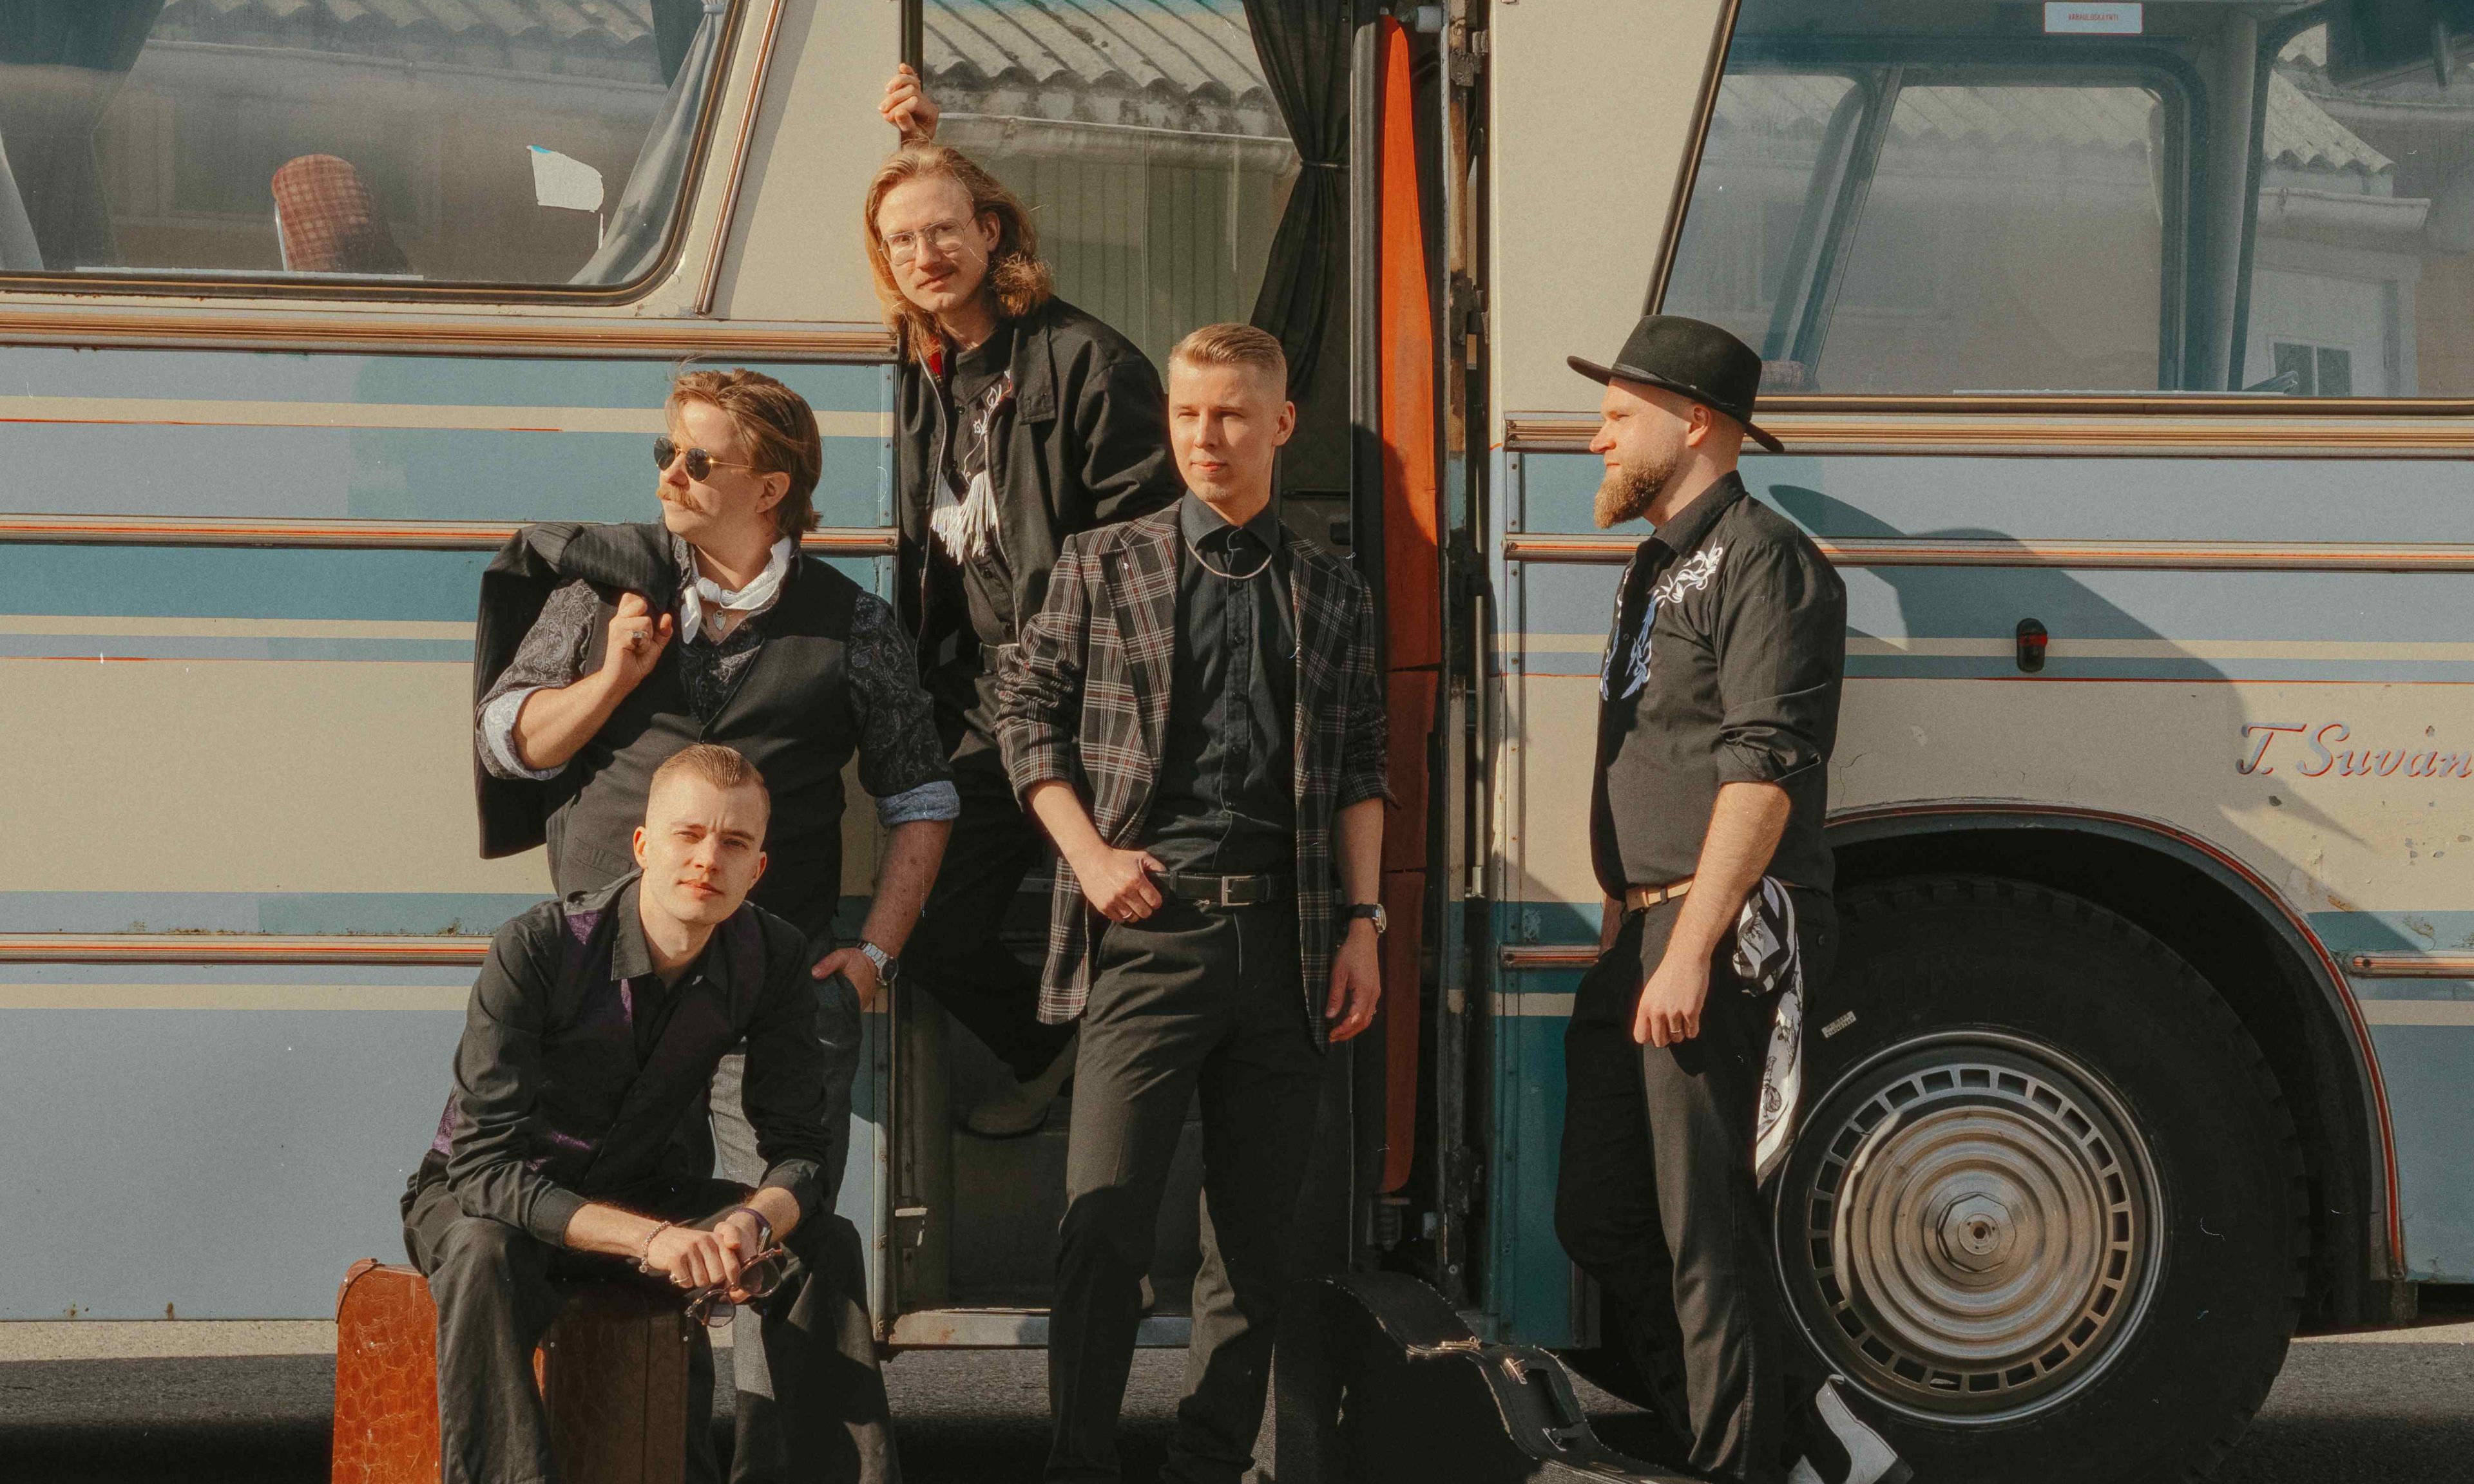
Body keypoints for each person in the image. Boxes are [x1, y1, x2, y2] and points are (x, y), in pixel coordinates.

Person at [470, 366, 955, 1481]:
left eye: (699, 460)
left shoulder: (854, 621)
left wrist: (875, 954)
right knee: (627, 1239)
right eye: (666, 454)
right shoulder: (603, 593)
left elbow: (922, 796)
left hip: (771, 990)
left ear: (771, 487)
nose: (669, 478)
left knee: (776, 1242)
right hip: (603, 998)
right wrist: (612, 676)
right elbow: (510, 743)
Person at [999, 323, 1389, 1484]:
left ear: (1281, 424)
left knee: (1252, 1249)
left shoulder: (1330, 587)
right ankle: (1078, 1466)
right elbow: (1025, 713)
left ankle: (1207, 1465)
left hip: (1288, 942)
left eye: (1229, 414)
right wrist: (1088, 857)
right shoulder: (1102, 561)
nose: (1204, 436)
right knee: (1103, 1221)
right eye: (1185, 414)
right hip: (1147, 934)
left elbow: (1363, 765)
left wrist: (1365, 923)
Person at [1549, 315, 1903, 1484]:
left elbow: (1765, 766)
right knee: (1603, 1213)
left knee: (1708, 1230)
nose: (1597, 436)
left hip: (1724, 928)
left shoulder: (1769, 561)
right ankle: (1806, 1435)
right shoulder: (1656, 564)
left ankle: (1739, 1461)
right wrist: (1628, 924)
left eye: (1619, 413)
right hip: (1646, 925)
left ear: (1695, 422)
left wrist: (1692, 943)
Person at [405, 746, 891, 1484]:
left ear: (757, 868)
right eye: (687, 835)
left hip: (641, 1191)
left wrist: (753, 1221)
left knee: (820, 1243)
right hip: (494, 1202)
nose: (708, 860)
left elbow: (801, 1150)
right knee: (484, 1252)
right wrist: (653, 1240)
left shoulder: (773, 954)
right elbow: (482, 1167)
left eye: (734, 843)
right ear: (642, 845)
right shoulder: (536, 947)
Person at [867, 73, 1182, 1137]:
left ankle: (1129, 1105)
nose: (924, 255)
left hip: (1086, 698)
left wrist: (1088, 673)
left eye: (943, 230)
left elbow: (1148, 544)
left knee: (1131, 915)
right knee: (932, 928)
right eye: (902, 241)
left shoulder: (1087, 361)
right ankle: (1054, 1051)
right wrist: (914, 152)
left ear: (992, 231)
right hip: (975, 704)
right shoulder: (916, 375)